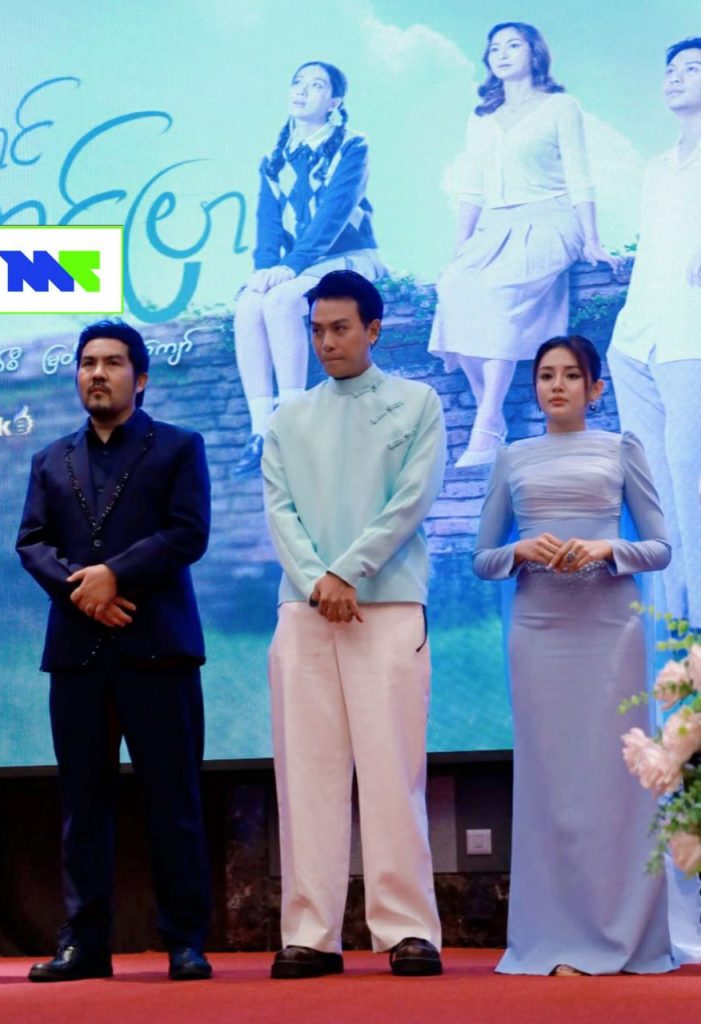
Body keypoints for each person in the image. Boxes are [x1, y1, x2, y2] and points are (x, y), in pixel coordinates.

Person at [16, 321, 213, 982]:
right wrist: (86, 591)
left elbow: (187, 533)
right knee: (83, 805)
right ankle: (84, 944)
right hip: (78, 655)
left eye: (113, 363)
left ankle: (184, 941)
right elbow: (32, 544)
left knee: (174, 801)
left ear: (142, 376)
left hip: (159, 650)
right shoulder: (50, 459)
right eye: (87, 363)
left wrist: (115, 576)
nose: (97, 373)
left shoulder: (178, 447)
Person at [473, 335, 676, 975]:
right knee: (550, 785)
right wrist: (519, 551)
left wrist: (605, 549)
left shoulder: (620, 448)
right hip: (539, 630)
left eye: (569, 375)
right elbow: (482, 558)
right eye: (545, 376)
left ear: (595, 388)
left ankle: (625, 937)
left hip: (610, 630)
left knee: (615, 781)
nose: (555, 386)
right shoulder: (512, 457)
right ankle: (554, 938)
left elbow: (661, 546)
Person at [262, 270, 445, 979]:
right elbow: (280, 511)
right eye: (316, 330)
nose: (325, 342)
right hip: (304, 609)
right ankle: (311, 933)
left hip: (387, 606)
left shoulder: (416, 402)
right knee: (305, 773)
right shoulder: (288, 417)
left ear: (373, 329)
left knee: (392, 769)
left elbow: (411, 501)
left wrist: (348, 572)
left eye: (339, 328)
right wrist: (318, 580)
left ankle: (407, 929)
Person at [429, 22, 618, 467]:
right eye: (495, 47)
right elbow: (472, 189)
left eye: (513, 45)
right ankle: (491, 417)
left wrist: (591, 238)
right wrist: (460, 249)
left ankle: (485, 425)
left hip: (550, 220)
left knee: (498, 293)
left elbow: (579, 175)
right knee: (454, 287)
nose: (502, 53)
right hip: (495, 226)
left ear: (534, 53)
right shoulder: (481, 118)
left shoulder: (560, 107)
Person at [233, 60, 382, 477]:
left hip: (347, 256)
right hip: (298, 264)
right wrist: (265, 268)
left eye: (316, 85)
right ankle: (261, 431)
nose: (301, 90)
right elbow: (267, 222)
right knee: (249, 304)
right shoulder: (274, 157)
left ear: (334, 101)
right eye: (297, 82)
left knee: (281, 301)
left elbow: (334, 214)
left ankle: (294, 421)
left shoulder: (351, 145)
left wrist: (293, 265)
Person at [608, 37, 701, 628]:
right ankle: (676, 626)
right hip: (638, 337)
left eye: (692, 68)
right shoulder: (656, 168)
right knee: (654, 490)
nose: (676, 77)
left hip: (692, 337)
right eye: (671, 69)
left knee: (692, 478)